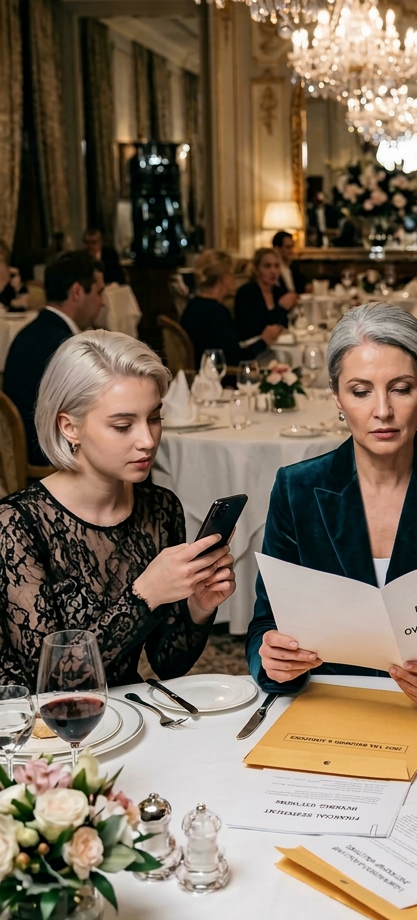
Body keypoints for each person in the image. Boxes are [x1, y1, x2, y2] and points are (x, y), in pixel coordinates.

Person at [247, 304, 417, 708]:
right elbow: (266, 623)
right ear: (336, 395)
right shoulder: (296, 488)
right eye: (361, 391)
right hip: (331, 706)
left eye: (401, 388)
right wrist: (272, 660)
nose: (382, 410)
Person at [0, 331, 235, 688]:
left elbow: (168, 664)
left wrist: (199, 607)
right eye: (123, 426)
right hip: (39, 732)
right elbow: (50, 683)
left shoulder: (160, 508)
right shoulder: (17, 525)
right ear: (69, 427)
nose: (147, 440)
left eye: (154, 418)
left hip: (126, 716)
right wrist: (146, 594)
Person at [4, 251, 106, 465]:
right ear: (77, 292)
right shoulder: (65, 345)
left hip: (19, 452)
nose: (103, 302)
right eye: (99, 292)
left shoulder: (29, 333)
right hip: (48, 456)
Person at [181, 249, 241, 368]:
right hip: (217, 378)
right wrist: (263, 342)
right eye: (232, 274)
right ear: (223, 278)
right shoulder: (217, 313)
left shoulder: (192, 306)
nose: (234, 279)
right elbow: (233, 359)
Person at [235, 247, 291, 354]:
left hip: (277, 345)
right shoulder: (246, 293)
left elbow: (284, 323)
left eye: (276, 266)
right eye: (267, 266)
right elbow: (256, 328)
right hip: (253, 349)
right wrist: (280, 307)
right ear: (256, 269)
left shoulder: (278, 291)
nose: (273, 271)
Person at [272, 230, 308, 297]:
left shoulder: (293, 266)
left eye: (292, 247)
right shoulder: (273, 270)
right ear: (277, 249)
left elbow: (301, 287)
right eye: (288, 247)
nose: (291, 251)